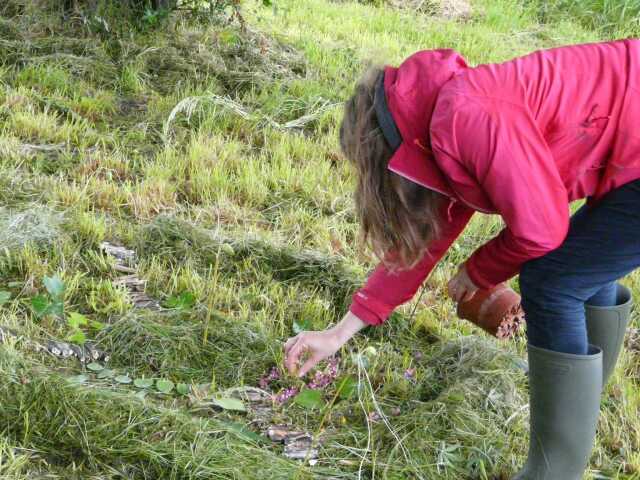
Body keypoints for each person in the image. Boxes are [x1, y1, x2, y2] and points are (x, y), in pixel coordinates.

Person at [283, 40, 639, 478]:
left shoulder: (466, 116)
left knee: (554, 281)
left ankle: (554, 470)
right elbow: (423, 246)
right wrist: (339, 333)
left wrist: (480, 269)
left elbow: (543, 230)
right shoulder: (438, 127)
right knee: (581, 261)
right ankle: (582, 405)